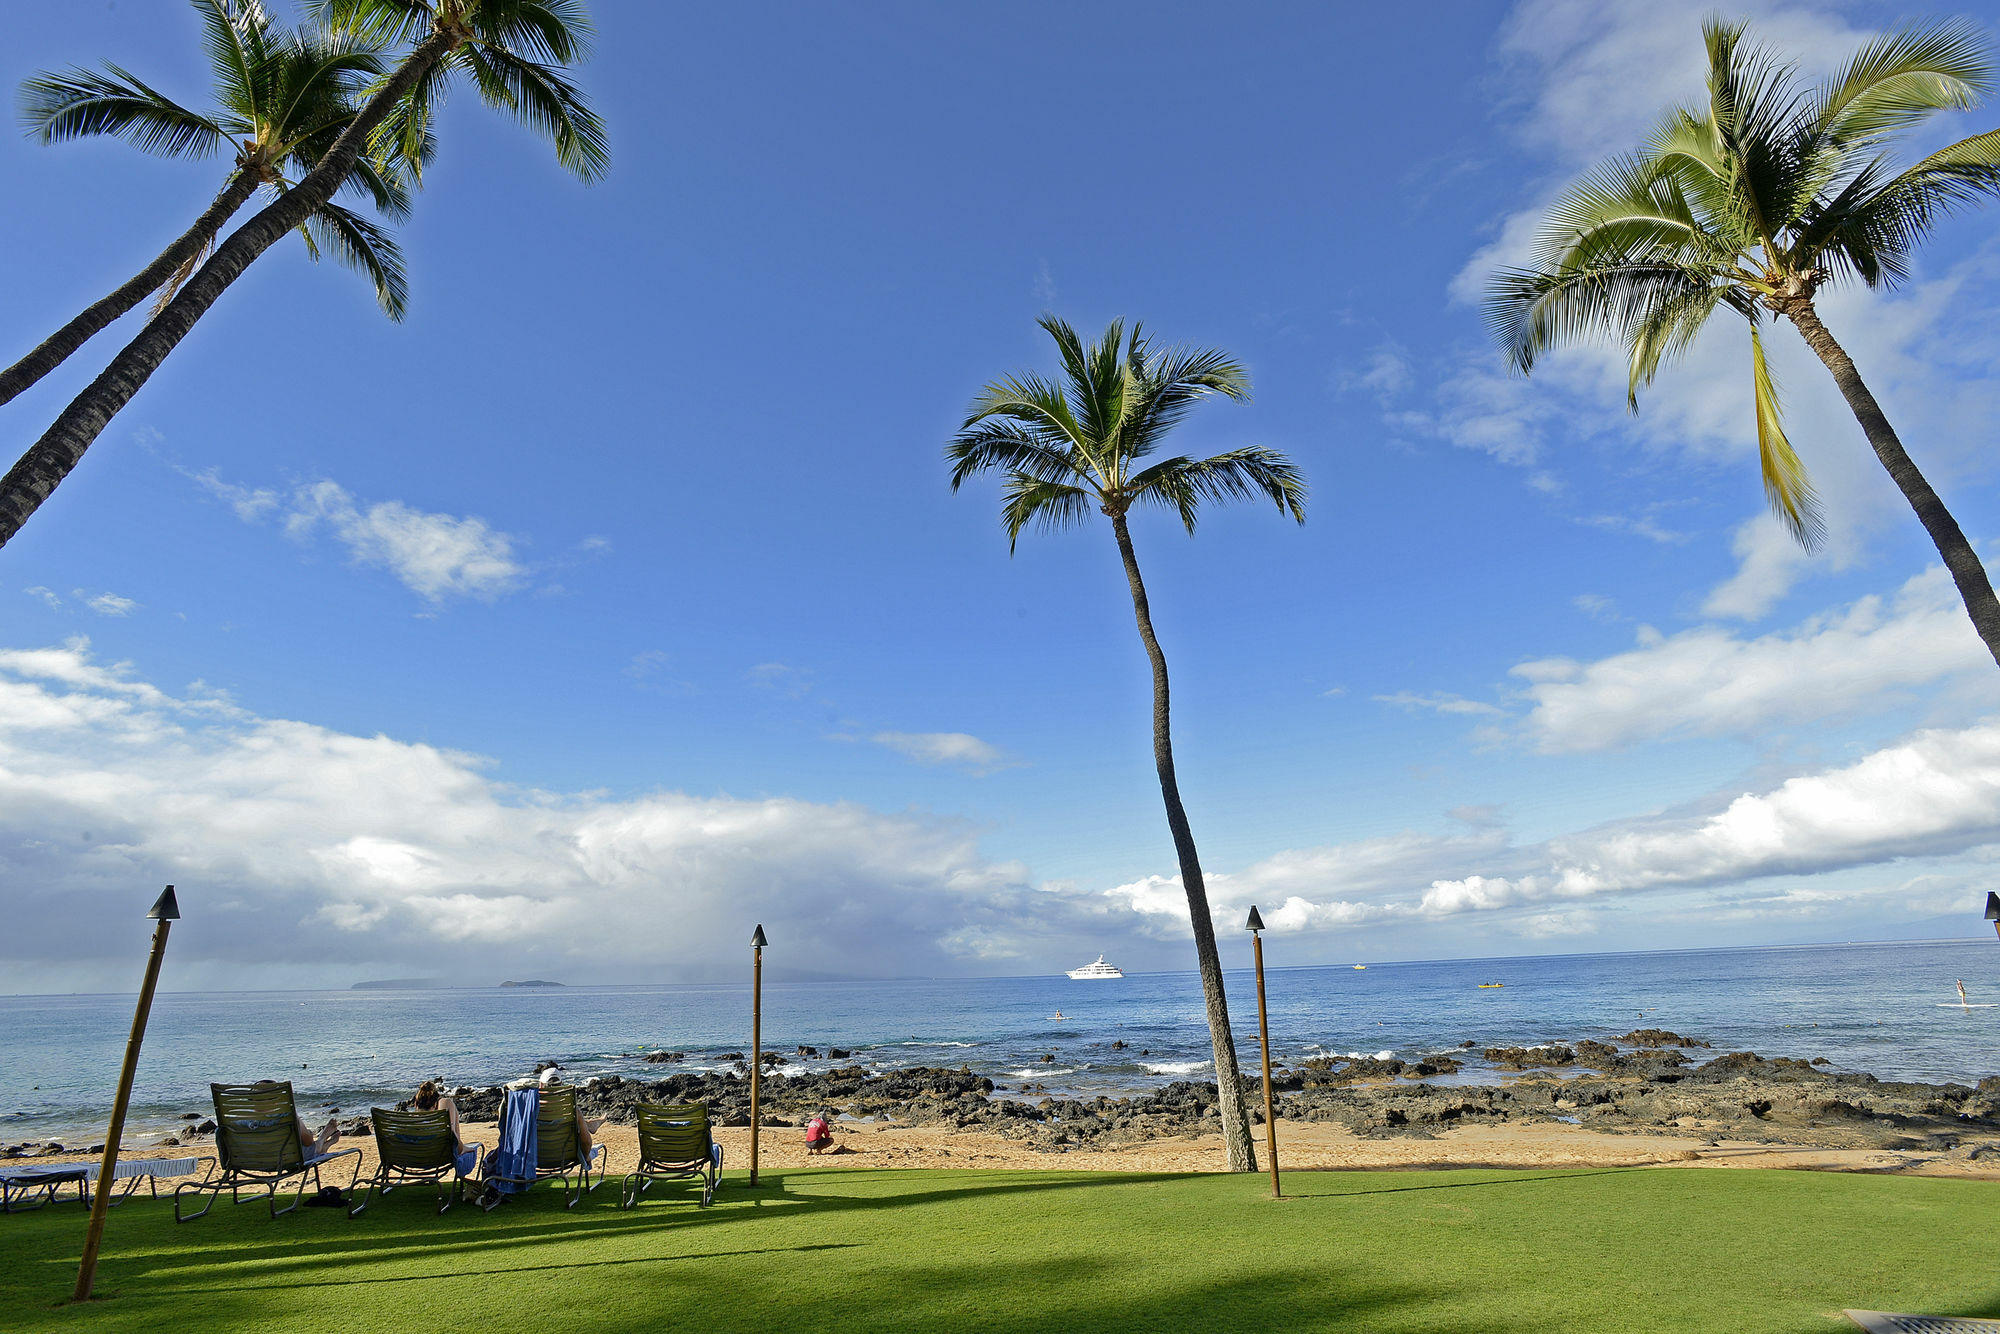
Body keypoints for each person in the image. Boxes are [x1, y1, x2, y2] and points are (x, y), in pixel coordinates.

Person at [414, 1081, 481, 1177]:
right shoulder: (445, 1103)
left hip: (411, 1158)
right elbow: (455, 1142)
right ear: (434, 1105)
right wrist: (464, 1148)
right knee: (474, 1149)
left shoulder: (410, 1131)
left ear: (416, 1105)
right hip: (440, 1157)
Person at [538, 1067, 604, 1157]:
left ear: (540, 1085)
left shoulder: (529, 1110)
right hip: (565, 1158)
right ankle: (591, 1125)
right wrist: (586, 1157)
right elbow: (587, 1143)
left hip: (537, 1159)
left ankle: (591, 1124)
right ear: (561, 1085)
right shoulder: (570, 1109)